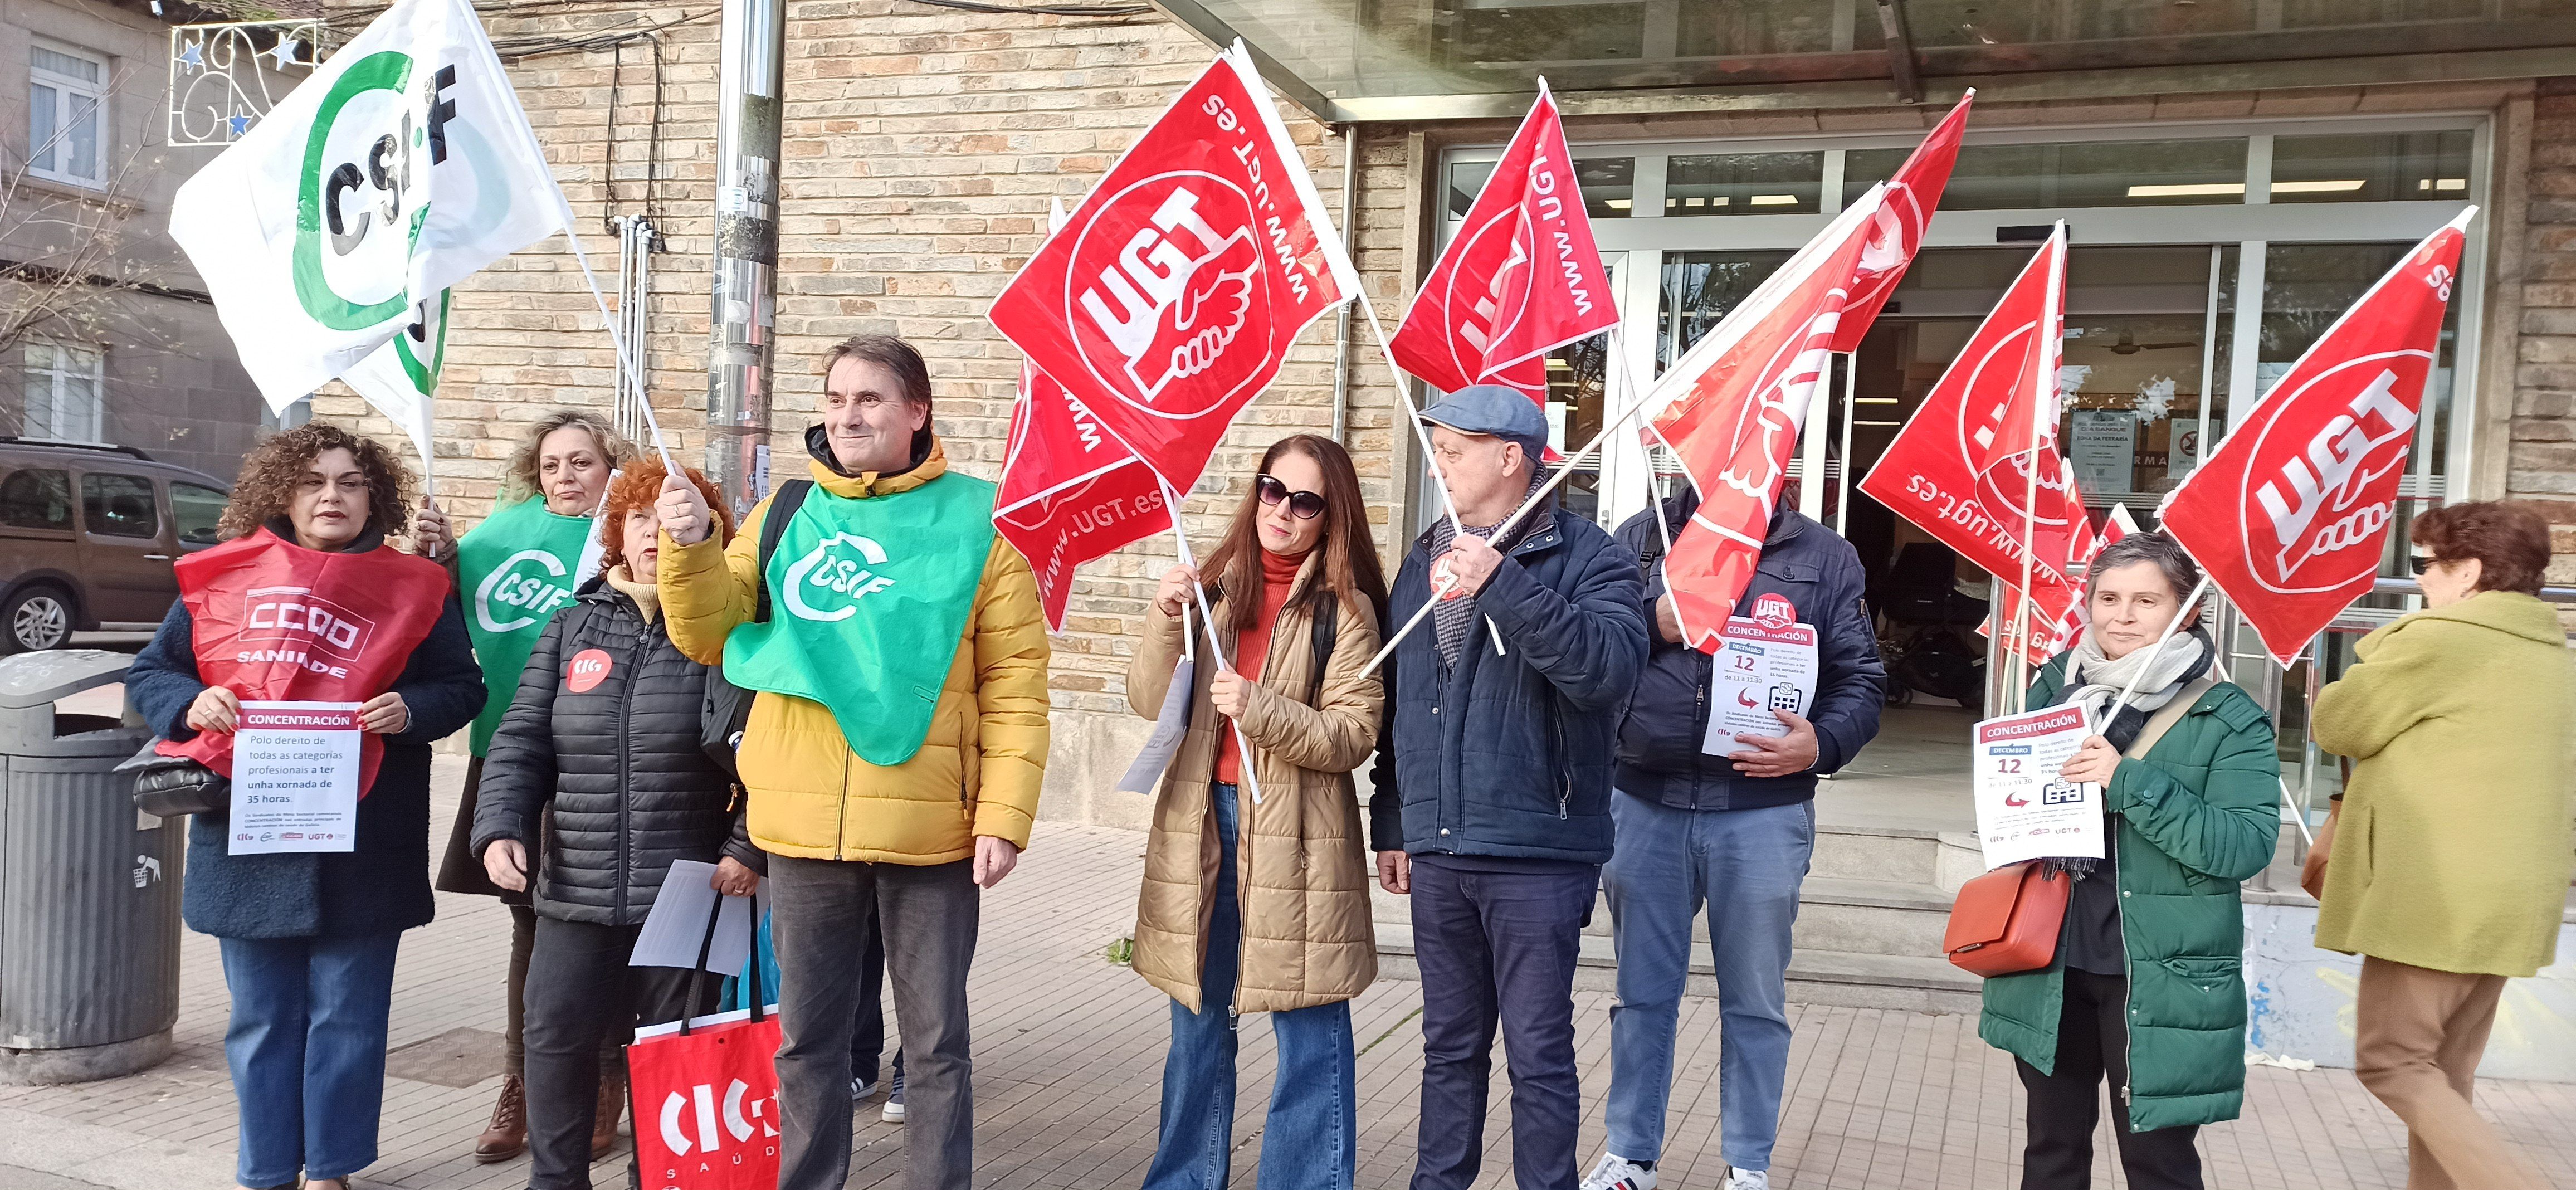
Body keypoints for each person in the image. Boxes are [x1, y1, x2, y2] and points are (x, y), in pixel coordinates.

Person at [654, 333, 1050, 1190]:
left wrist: (1004, 820)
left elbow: (1016, 688)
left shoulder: (985, 522)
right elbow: (710, 631)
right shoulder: (786, 511)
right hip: (798, 825)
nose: (847, 415)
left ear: (918, 411)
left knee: (938, 1047)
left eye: (869, 399)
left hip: (930, 828)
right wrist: (686, 550)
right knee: (808, 1043)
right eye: (835, 399)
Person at [125, 423, 486, 1190]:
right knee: (259, 1023)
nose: (332, 495)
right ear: (283, 492)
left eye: (350, 482)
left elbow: (462, 687)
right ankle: (265, 1171)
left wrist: (409, 710)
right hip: (249, 833)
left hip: (366, 838)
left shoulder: (416, 584)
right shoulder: (229, 576)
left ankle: (332, 1167)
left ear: (373, 497)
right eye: (316, 481)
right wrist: (194, 702)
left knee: (349, 1022)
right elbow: (152, 674)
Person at [1367, 386, 1650, 1190]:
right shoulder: (1423, 558)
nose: (1441, 466)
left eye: (1454, 451)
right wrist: (1395, 819)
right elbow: (1403, 708)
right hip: (1440, 847)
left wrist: (1503, 584)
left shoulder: (1592, 555)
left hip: (1539, 848)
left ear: (1511, 457)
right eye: (1438, 450)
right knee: (1447, 1047)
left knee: (1538, 1051)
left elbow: (1605, 671)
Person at [470, 462, 764, 1190]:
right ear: (618, 536)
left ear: (710, 532)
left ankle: (661, 1179)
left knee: (673, 1050)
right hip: (573, 881)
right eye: (639, 517)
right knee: (555, 1037)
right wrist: (500, 823)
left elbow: (772, 749)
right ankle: (557, 1180)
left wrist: (747, 844)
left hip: (689, 888)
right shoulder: (571, 626)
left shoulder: (730, 635)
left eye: (674, 517)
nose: (656, 532)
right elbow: (521, 741)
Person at [1582, 493, 1887, 1190]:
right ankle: (1630, 1154)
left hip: (1761, 812)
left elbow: (1862, 680)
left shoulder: (1825, 556)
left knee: (1754, 1000)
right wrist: (1652, 621)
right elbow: (1591, 646)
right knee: (1640, 995)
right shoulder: (1641, 537)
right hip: (1644, 801)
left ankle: (1747, 1165)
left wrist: (1823, 743)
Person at [1980, 531, 2280, 1190]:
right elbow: (2020, 808)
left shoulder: (2227, 717)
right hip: (2050, 952)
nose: (2122, 615)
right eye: (2108, 598)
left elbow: (2244, 846)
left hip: (2157, 970)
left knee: (2158, 1165)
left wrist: (2129, 782)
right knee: (2050, 1151)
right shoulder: (2056, 685)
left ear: (2186, 611)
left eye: (2147, 600)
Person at [1128, 435, 1388, 1190]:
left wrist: (1261, 708)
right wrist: (1159, 615)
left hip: (1296, 837)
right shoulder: (1212, 588)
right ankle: (1183, 1179)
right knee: (1197, 1024)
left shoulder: (1347, 609)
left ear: (1328, 515)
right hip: (1200, 824)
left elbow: (1354, 734)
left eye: (1305, 501)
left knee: (1309, 1028)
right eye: (1273, 489)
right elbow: (1150, 701)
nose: (1283, 510)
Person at [2306, 500, 2571, 1190]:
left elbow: (2339, 724)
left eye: (2427, 564)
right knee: (2444, 1076)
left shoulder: (2440, 641)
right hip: (2512, 899)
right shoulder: (2553, 655)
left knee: (2392, 1061)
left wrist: (2386, 644)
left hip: (2435, 894)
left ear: (2470, 572)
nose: (2420, 578)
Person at [416, 410, 635, 1163]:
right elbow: (430, 606)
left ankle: (607, 1076)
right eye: (552, 465)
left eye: (582, 462)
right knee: (531, 928)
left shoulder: (627, 538)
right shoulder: (495, 540)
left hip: (608, 762)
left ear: (612, 467)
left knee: (604, 929)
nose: (566, 477)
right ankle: (524, 1081)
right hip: (513, 757)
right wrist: (433, 559)